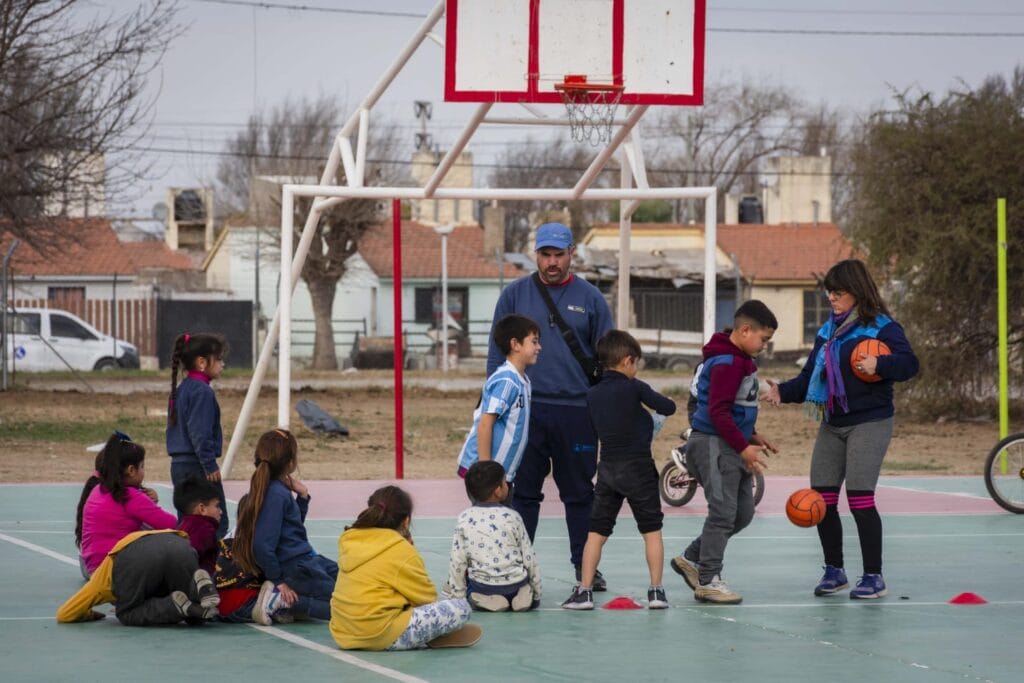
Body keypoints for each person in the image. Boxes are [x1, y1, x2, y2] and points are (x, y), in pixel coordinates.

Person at [764, 259, 918, 599]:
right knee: (822, 499)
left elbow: (910, 364)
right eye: (829, 292)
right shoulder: (827, 331)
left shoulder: (883, 328)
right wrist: (782, 392)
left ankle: (874, 577)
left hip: (871, 421)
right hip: (832, 422)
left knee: (860, 498)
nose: (831, 298)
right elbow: (808, 380)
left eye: (838, 292)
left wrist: (882, 363)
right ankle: (834, 570)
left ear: (857, 292)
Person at [487, 221, 614, 589]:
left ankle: (584, 566)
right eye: (546, 254)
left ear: (572, 253)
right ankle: (518, 566)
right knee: (522, 493)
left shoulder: (591, 298)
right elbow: (496, 353)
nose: (553, 262)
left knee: (579, 494)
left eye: (559, 254)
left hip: (578, 412)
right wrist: (493, 404)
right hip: (525, 411)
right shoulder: (513, 296)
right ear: (536, 255)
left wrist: (610, 405)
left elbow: (607, 357)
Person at [670, 300, 778, 605]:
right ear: (745, 330)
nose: (765, 346)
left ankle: (692, 558)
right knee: (722, 513)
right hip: (714, 445)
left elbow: (734, 410)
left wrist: (753, 435)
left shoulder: (740, 360)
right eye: (764, 340)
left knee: (741, 513)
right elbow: (717, 412)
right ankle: (709, 579)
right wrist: (744, 447)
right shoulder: (727, 363)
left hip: (731, 444)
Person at [562, 330, 677, 610]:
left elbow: (592, 428)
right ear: (627, 361)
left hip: (608, 469)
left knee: (596, 533)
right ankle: (656, 591)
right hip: (638, 467)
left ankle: (584, 591)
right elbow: (668, 407)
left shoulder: (592, 394)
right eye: (636, 363)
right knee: (651, 531)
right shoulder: (634, 387)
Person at [331, 486, 474, 650]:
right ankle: (424, 636)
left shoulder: (351, 539)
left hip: (343, 633)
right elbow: (426, 597)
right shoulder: (400, 548)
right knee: (461, 608)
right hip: (379, 635)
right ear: (406, 520)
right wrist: (411, 549)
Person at [232, 428, 337, 620]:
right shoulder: (276, 494)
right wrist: (279, 580)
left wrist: (303, 496)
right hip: (296, 567)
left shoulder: (275, 490)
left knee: (349, 584)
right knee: (344, 607)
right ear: (290, 463)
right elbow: (262, 546)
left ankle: (292, 603)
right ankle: (279, 601)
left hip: (305, 561)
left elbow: (291, 528)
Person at [57, 529, 220, 626]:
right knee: (196, 615)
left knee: (126, 613)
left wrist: (91, 614)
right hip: (179, 543)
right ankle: (200, 584)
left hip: (136, 559)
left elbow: (65, 614)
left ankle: (173, 606)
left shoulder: (101, 581)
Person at [443, 461, 542, 612]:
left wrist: (458, 597)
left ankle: (486, 599)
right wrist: (536, 594)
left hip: (483, 586)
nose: (508, 486)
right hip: (515, 584)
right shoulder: (513, 517)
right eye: (505, 482)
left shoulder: (464, 518)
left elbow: (458, 561)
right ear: (498, 491)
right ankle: (522, 595)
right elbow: (529, 558)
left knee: (466, 585)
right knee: (522, 583)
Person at [78, 433, 177, 577]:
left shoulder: (98, 490)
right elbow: (172, 524)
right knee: (174, 542)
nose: (144, 472)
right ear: (131, 470)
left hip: (90, 567)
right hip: (112, 572)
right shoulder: (130, 495)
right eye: (142, 467)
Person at [456, 314, 540, 483]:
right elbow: (485, 424)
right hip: (486, 475)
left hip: (501, 474)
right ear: (515, 344)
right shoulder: (507, 381)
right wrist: (486, 470)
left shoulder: (523, 380)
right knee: (489, 510)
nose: (539, 347)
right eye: (534, 341)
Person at [166, 332, 230, 538]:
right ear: (202, 362)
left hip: (179, 466)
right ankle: (211, 567)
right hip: (198, 467)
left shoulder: (182, 389)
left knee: (187, 524)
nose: (222, 364)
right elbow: (199, 432)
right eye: (219, 359)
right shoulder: (202, 392)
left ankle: (183, 564)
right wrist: (209, 463)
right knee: (215, 522)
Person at [174, 476, 224, 575]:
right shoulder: (205, 529)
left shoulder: (182, 526)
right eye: (217, 506)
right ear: (202, 509)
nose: (221, 512)